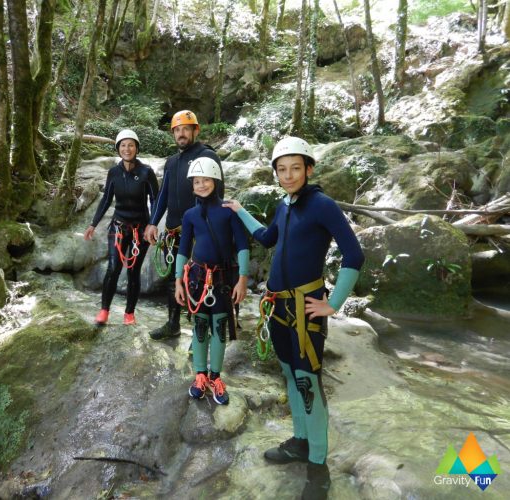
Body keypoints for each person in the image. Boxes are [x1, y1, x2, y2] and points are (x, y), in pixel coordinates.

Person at [223, 137, 364, 500]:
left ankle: (319, 467)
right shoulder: (284, 205)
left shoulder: (322, 205)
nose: (288, 175)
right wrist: (239, 210)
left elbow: (354, 253)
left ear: (309, 169)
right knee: (289, 373)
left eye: (295, 168)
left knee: (307, 383)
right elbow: (268, 239)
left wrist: (333, 303)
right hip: (280, 307)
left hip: (306, 310)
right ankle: (301, 442)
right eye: (281, 169)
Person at [174, 157, 249, 405]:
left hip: (223, 279)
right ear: (192, 185)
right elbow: (183, 249)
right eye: (197, 181)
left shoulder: (229, 211)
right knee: (200, 325)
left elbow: (242, 246)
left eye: (206, 180)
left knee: (219, 327)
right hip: (196, 278)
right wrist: (178, 281)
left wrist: (242, 279)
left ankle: (216, 377)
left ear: (215, 181)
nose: (202, 185)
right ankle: (200, 375)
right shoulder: (190, 215)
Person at [144, 110, 224, 340]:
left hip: (199, 230)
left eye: (185, 129)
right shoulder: (171, 162)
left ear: (195, 131)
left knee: (199, 280)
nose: (181, 134)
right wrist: (152, 223)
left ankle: (199, 334)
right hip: (173, 230)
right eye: (177, 130)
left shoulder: (207, 155)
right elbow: (163, 195)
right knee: (174, 279)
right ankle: (173, 324)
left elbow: (217, 192)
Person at [84, 129, 159, 326]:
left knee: (133, 272)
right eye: (123, 145)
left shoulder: (146, 172)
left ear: (136, 148)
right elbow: (107, 199)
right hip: (118, 227)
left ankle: (129, 314)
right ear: (118, 149)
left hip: (140, 230)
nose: (127, 149)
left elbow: (155, 199)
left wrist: (152, 225)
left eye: (131, 145)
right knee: (113, 268)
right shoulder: (114, 172)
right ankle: (104, 311)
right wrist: (93, 223)